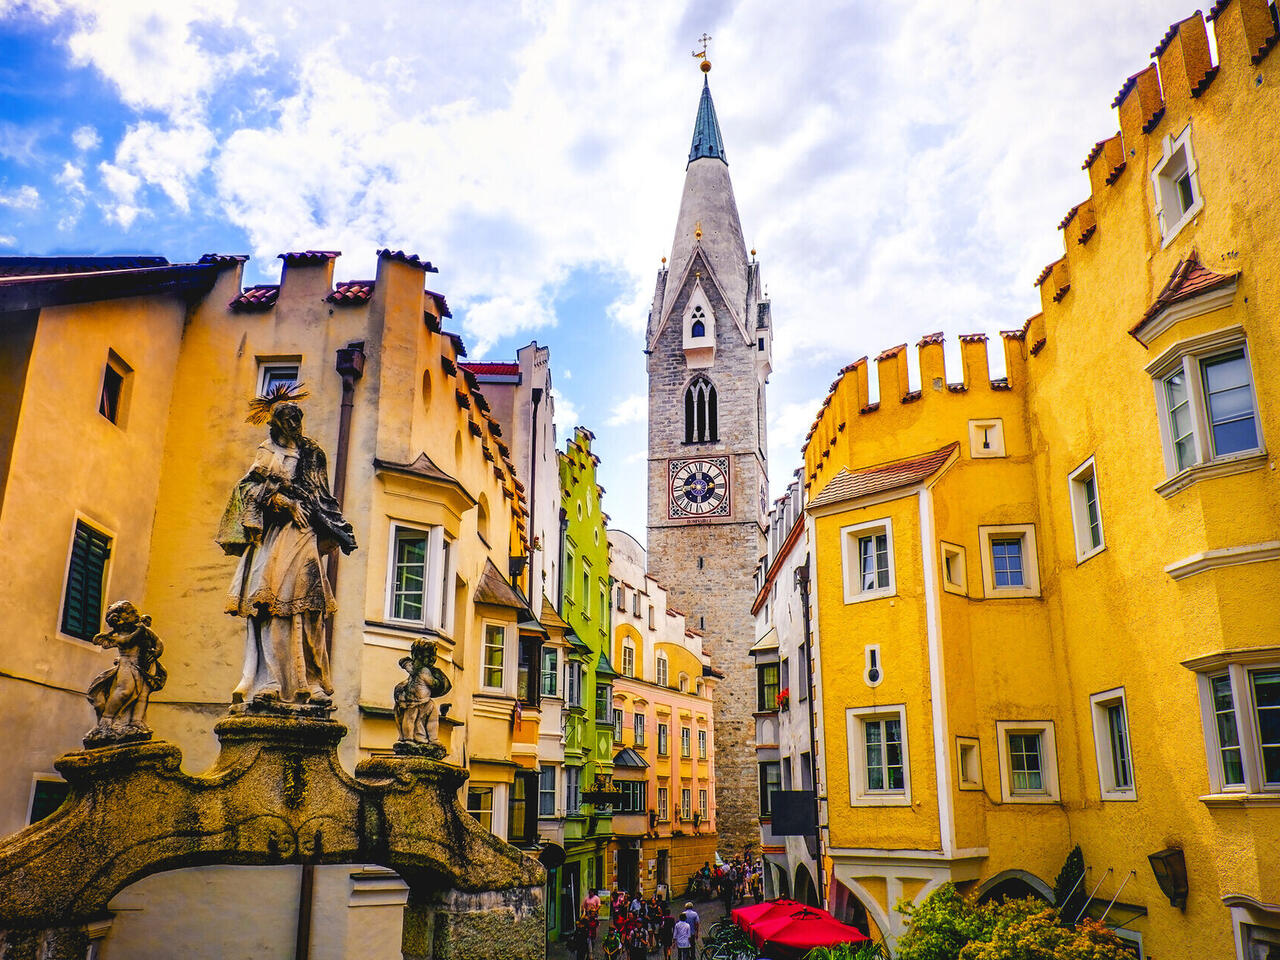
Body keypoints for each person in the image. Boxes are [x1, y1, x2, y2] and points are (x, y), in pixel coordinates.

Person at [219, 392, 356, 706]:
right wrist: (283, 502)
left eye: (298, 418)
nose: (295, 424)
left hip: (304, 533)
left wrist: (338, 529)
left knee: (311, 607)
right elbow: (248, 489)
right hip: (274, 536)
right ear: (276, 423)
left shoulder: (312, 454)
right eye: (288, 419)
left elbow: (322, 497)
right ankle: (272, 682)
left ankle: (312, 682)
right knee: (271, 606)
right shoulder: (267, 452)